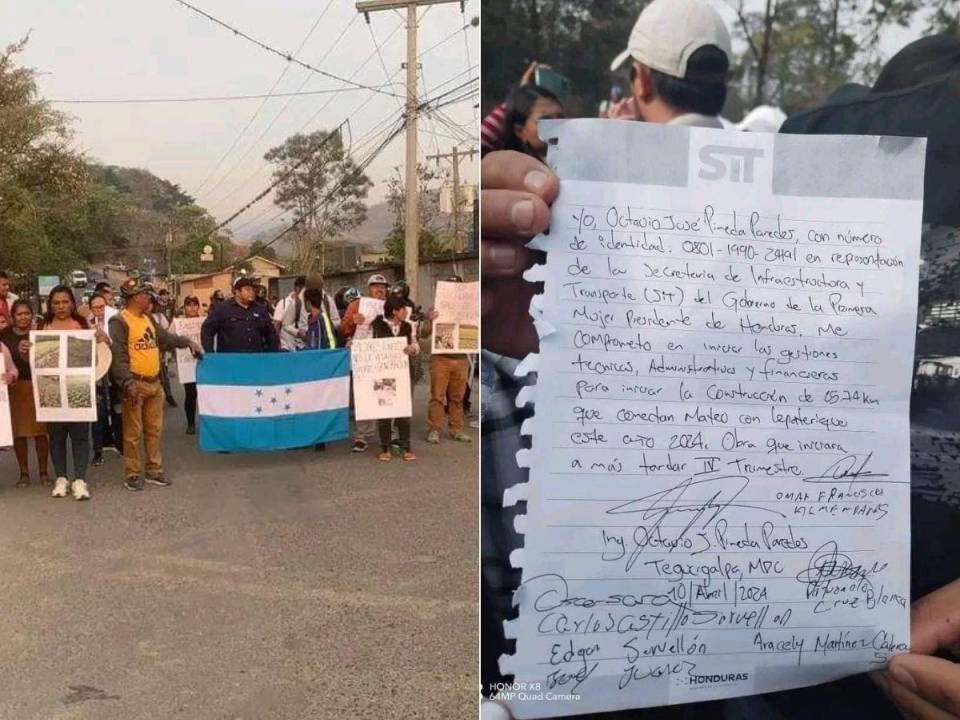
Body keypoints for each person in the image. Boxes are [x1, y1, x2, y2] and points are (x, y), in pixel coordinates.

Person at [109, 278, 202, 491]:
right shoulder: (119, 321)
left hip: (154, 382)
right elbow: (119, 357)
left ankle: (154, 470)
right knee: (133, 433)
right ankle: (132, 473)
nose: (148, 298)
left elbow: (166, 338)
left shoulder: (148, 318)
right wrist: (127, 383)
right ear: (133, 298)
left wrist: (187, 342)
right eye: (144, 294)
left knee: (154, 430)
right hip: (135, 383)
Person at [39, 285, 93, 501]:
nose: (61, 306)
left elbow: (94, 356)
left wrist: (98, 339)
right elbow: (34, 361)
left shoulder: (81, 325)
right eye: (56, 303)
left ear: (72, 302)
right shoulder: (43, 326)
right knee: (56, 436)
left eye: (64, 302)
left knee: (80, 436)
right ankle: (61, 478)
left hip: (77, 387)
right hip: (50, 390)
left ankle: (79, 479)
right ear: (50, 305)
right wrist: (26, 351)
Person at [340, 274, 390, 452]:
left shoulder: (391, 306)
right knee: (363, 396)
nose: (380, 289)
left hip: (385, 357)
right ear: (369, 288)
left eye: (383, 287)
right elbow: (342, 328)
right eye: (376, 286)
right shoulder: (356, 305)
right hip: (363, 358)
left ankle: (386, 434)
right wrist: (352, 322)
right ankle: (362, 435)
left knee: (385, 394)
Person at [421, 276, 472, 445]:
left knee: (457, 397)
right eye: (450, 286)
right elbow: (424, 333)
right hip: (440, 358)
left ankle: (456, 428)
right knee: (437, 396)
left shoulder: (470, 308)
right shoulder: (435, 308)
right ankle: (434, 429)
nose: (453, 289)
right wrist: (430, 319)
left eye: (457, 286)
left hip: (461, 358)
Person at [0, 300, 43, 487]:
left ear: (32, 314)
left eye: (27, 313)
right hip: (15, 389)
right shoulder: (4, 335)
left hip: (38, 387)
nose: (23, 317)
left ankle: (44, 472)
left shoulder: (39, 332)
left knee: (41, 433)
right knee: (19, 434)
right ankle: (24, 473)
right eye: (19, 314)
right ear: (13, 317)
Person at [370, 296, 418, 462]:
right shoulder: (377, 325)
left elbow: (416, 344)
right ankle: (385, 446)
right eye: (403, 309)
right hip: (384, 374)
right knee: (385, 410)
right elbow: (368, 346)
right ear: (394, 311)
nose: (406, 312)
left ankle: (406, 446)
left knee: (403, 410)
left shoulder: (408, 326)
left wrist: (412, 349)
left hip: (404, 373)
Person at [201, 277, 279, 353]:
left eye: (253, 290)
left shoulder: (260, 310)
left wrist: (271, 355)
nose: (251, 292)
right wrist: (210, 354)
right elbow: (207, 330)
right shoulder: (223, 309)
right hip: (230, 361)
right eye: (247, 289)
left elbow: (271, 334)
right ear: (237, 292)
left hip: (256, 359)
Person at [87, 292, 117, 466]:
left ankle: (115, 441)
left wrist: (107, 340)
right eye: (95, 307)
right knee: (97, 411)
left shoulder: (114, 320)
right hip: (95, 372)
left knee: (115, 406)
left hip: (112, 370)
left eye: (101, 307)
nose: (99, 310)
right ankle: (98, 449)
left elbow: (119, 345)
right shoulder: (86, 323)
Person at [500, 84, 564, 162]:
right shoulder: (511, 170)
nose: (558, 125)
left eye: (561, 118)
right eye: (545, 121)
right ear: (520, 131)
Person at [149, 296, 177, 407]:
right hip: (150, 352)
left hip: (161, 351)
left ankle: (169, 395)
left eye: (152, 303)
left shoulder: (160, 317)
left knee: (164, 375)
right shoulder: (145, 317)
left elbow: (166, 332)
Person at [179, 296, 202, 435]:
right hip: (187, 366)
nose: (192, 307)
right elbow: (169, 338)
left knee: (206, 395)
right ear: (184, 307)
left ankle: (207, 422)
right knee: (190, 395)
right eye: (189, 305)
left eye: (195, 304)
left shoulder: (204, 321)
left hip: (204, 363)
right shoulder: (178, 323)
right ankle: (191, 423)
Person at [274, 275, 307, 350]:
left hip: (303, 347)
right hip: (287, 348)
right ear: (297, 288)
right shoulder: (283, 303)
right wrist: (276, 344)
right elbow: (276, 326)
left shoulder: (308, 303)